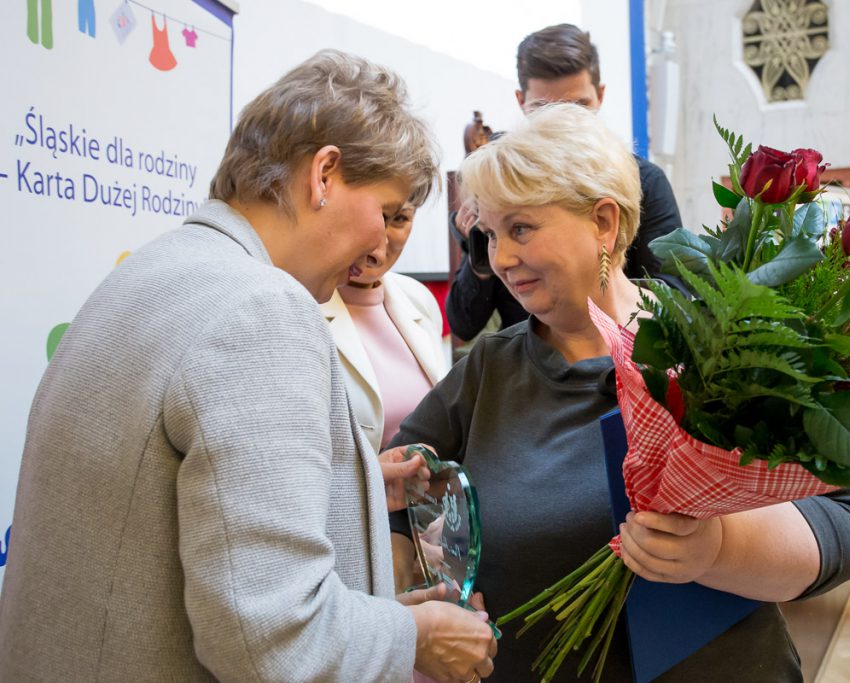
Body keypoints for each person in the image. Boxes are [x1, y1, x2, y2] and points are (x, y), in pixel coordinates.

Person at [0, 50, 496, 683]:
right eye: (385, 209)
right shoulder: (262, 310)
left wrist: (358, 488)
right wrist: (415, 637)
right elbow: (273, 643)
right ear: (324, 175)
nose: (380, 244)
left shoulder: (155, 272)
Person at [391, 104, 850, 681]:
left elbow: (847, 520)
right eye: (491, 235)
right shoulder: (489, 369)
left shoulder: (718, 340)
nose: (500, 259)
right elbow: (396, 492)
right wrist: (431, 585)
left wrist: (718, 548)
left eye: (520, 229)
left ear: (604, 221)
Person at [445, 23, 683, 341]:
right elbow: (463, 323)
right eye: (543, 109)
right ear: (520, 101)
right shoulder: (499, 188)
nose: (562, 123)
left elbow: (675, 300)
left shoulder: (645, 182)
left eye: (578, 108)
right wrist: (478, 247)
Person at [322, 198, 450, 455]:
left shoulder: (417, 297)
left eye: (399, 219)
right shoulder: (302, 304)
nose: (380, 239)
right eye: (374, 215)